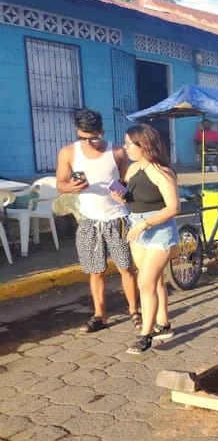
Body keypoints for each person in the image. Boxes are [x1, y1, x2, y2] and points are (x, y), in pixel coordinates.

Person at [55, 108, 139, 334]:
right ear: (77, 131)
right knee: (96, 271)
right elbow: (60, 183)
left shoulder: (118, 152)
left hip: (117, 218)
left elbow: (126, 183)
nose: (89, 142)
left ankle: (134, 311)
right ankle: (100, 315)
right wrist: (70, 187)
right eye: (83, 137)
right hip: (89, 221)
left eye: (94, 137)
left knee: (126, 268)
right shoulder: (68, 153)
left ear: (102, 131)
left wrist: (122, 193)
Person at [118, 124, 181, 355]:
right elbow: (133, 200)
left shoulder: (161, 171)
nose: (125, 148)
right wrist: (121, 198)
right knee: (154, 281)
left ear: (142, 145)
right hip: (137, 225)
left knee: (144, 282)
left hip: (158, 229)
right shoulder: (133, 170)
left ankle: (145, 335)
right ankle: (163, 323)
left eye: (129, 144)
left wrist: (146, 223)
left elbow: (174, 207)